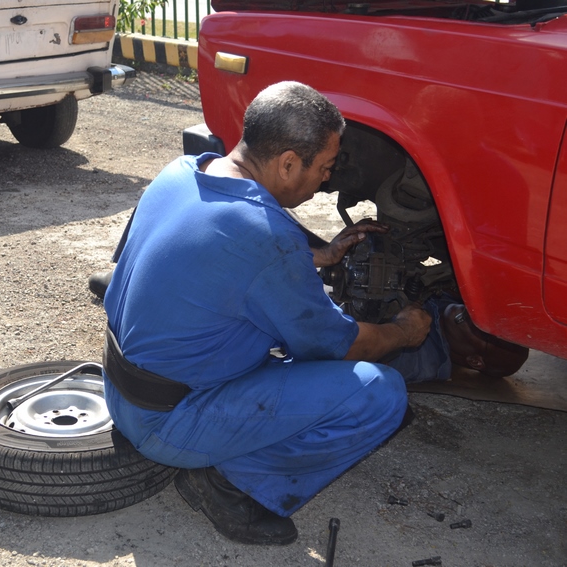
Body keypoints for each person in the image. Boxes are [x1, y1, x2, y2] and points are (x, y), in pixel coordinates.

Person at [99, 81, 433, 546]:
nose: (324, 181)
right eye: (324, 168)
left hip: (119, 390)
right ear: (288, 162)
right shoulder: (263, 238)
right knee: (379, 392)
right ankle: (228, 484)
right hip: (168, 423)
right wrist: (402, 331)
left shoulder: (183, 171)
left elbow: (217, 244)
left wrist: (318, 254)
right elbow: (339, 344)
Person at [384, 295, 529, 382]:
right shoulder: (458, 299)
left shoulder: (415, 360)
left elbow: (364, 345)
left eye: (485, 332)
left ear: (475, 361)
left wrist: (401, 331)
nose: (477, 318)